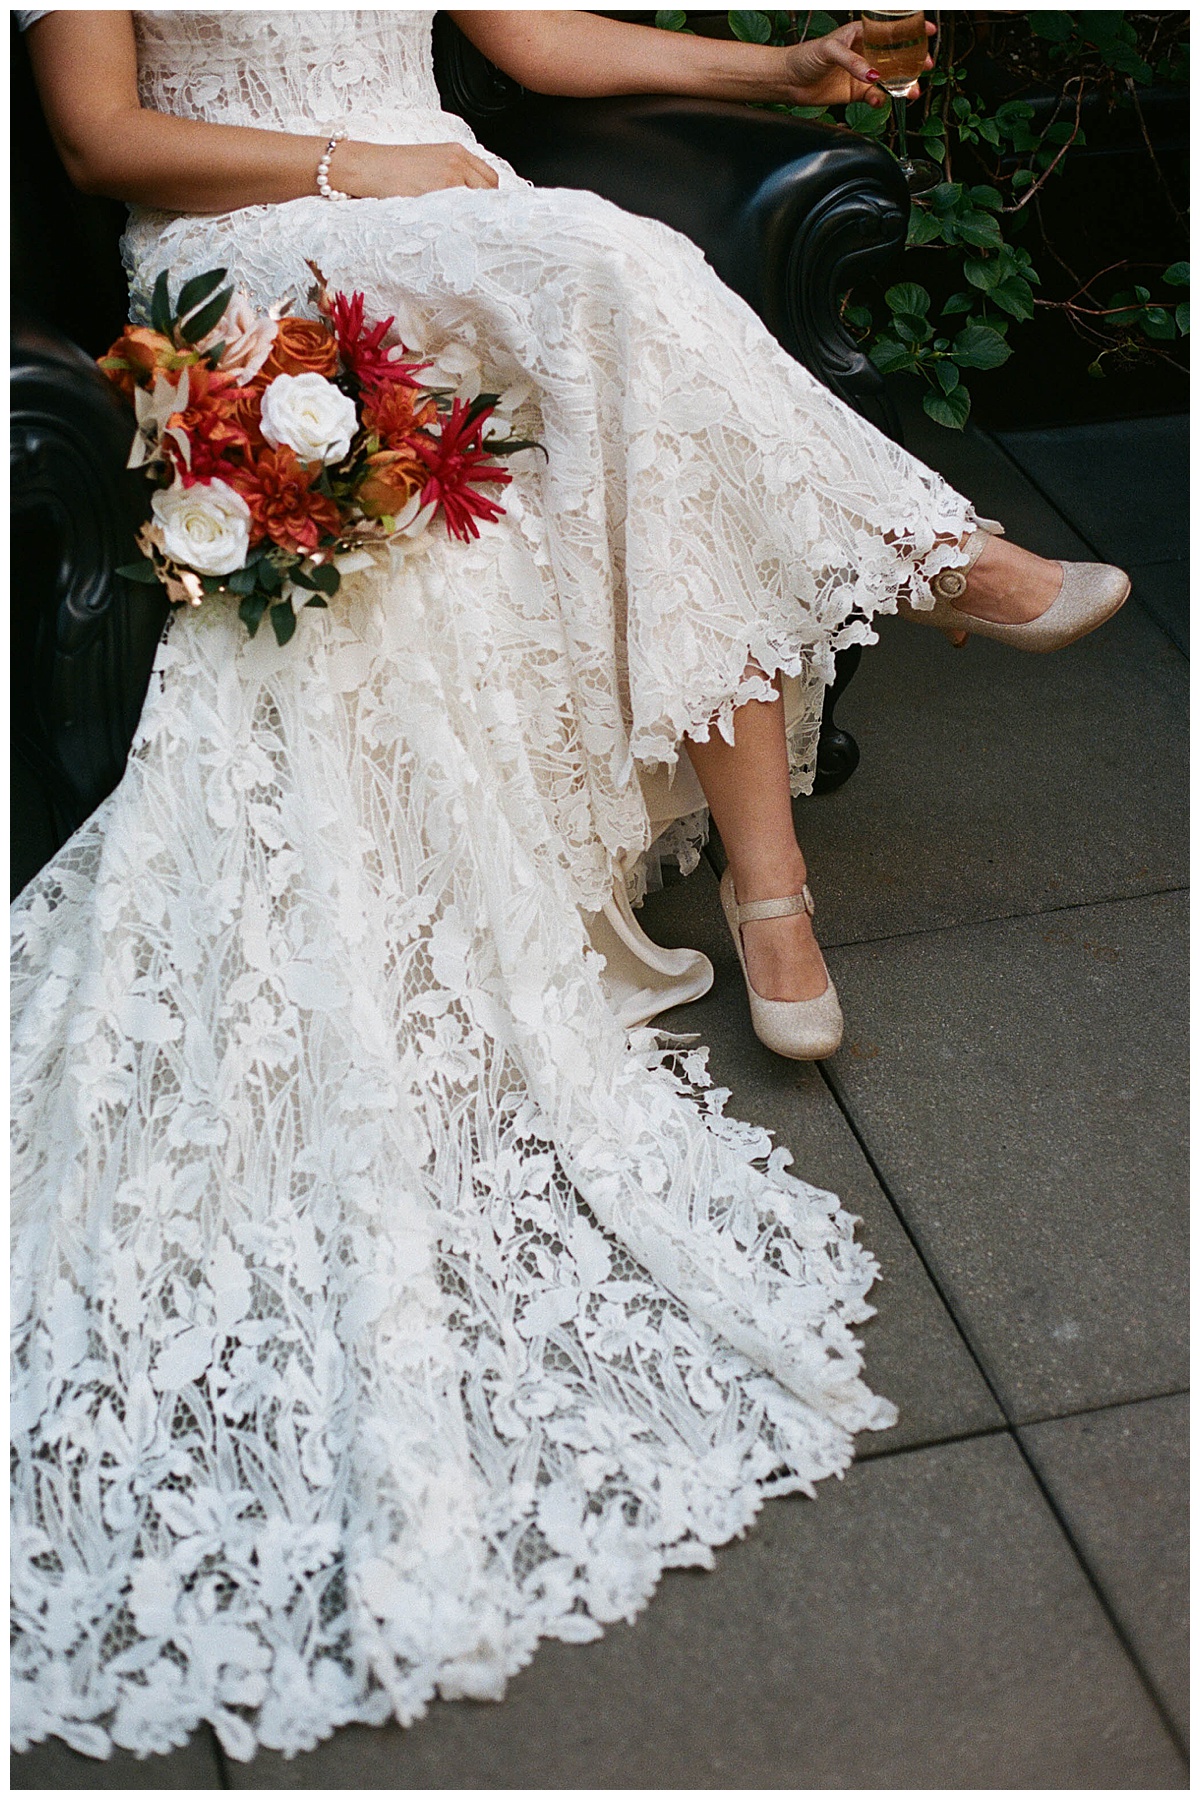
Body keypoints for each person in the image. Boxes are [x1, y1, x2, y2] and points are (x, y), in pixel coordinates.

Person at [12, 10, 1129, 1764]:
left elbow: (531, 41)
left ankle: (779, 894)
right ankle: (937, 568)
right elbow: (98, 142)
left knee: (623, 350)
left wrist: (791, 71)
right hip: (249, 250)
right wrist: (366, 166)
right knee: (617, 264)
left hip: (445, 209)